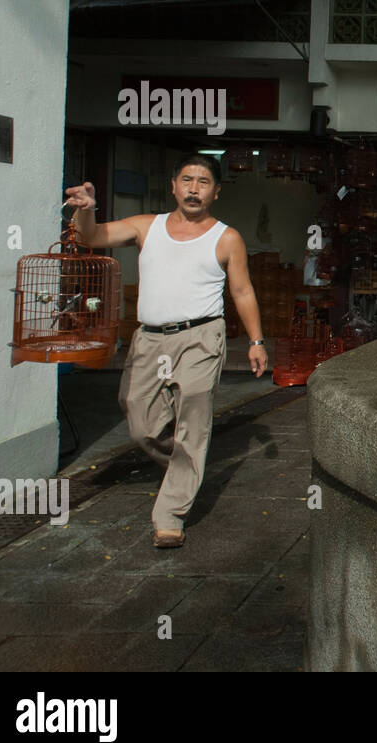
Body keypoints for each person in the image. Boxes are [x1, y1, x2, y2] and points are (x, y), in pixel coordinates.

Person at [64, 154, 268, 548]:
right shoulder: (147, 226)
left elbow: (242, 291)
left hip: (200, 337)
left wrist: (257, 341)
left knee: (193, 414)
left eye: (203, 181)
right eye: (187, 180)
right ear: (173, 185)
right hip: (150, 340)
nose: (194, 188)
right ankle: (185, 468)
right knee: (141, 424)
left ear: (216, 191)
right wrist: (86, 211)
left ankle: (170, 515)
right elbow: (91, 237)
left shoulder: (227, 238)